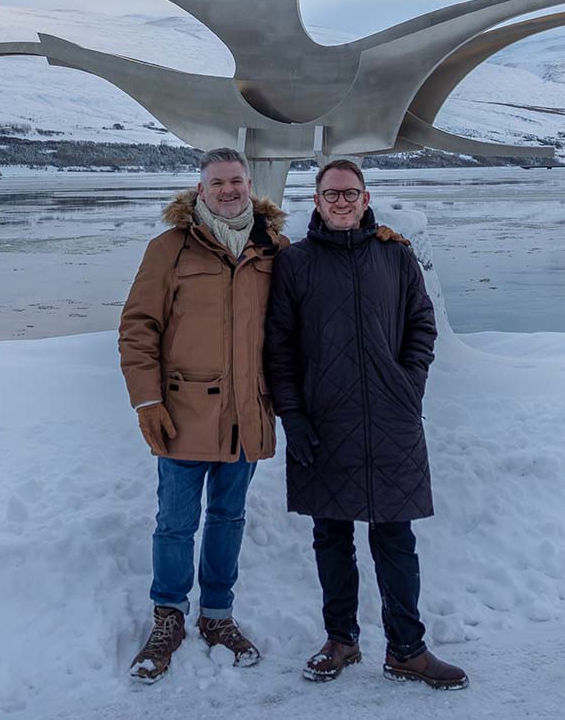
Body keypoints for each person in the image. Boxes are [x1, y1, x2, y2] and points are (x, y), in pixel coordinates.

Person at [264, 158, 469, 690]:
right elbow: (278, 349)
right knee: (331, 535)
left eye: (350, 193)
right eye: (331, 194)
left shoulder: (394, 256)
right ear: (315, 200)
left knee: (394, 536)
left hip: (390, 417)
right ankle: (341, 640)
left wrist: (409, 383)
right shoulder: (296, 264)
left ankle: (407, 649)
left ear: (365, 196)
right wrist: (293, 416)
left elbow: (421, 323)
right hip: (323, 422)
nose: (341, 202)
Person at [117, 147, 288, 682]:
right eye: (217, 183)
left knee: (228, 517)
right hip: (182, 413)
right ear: (200, 191)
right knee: (175, 523)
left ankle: (217, 615)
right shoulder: (170, 249)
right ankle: (168, 616)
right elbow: (138, 329)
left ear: (248, 186)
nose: (228, 190)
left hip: (247, 413)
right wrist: (146, 400)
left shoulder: (272, 250)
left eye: (235, 181)